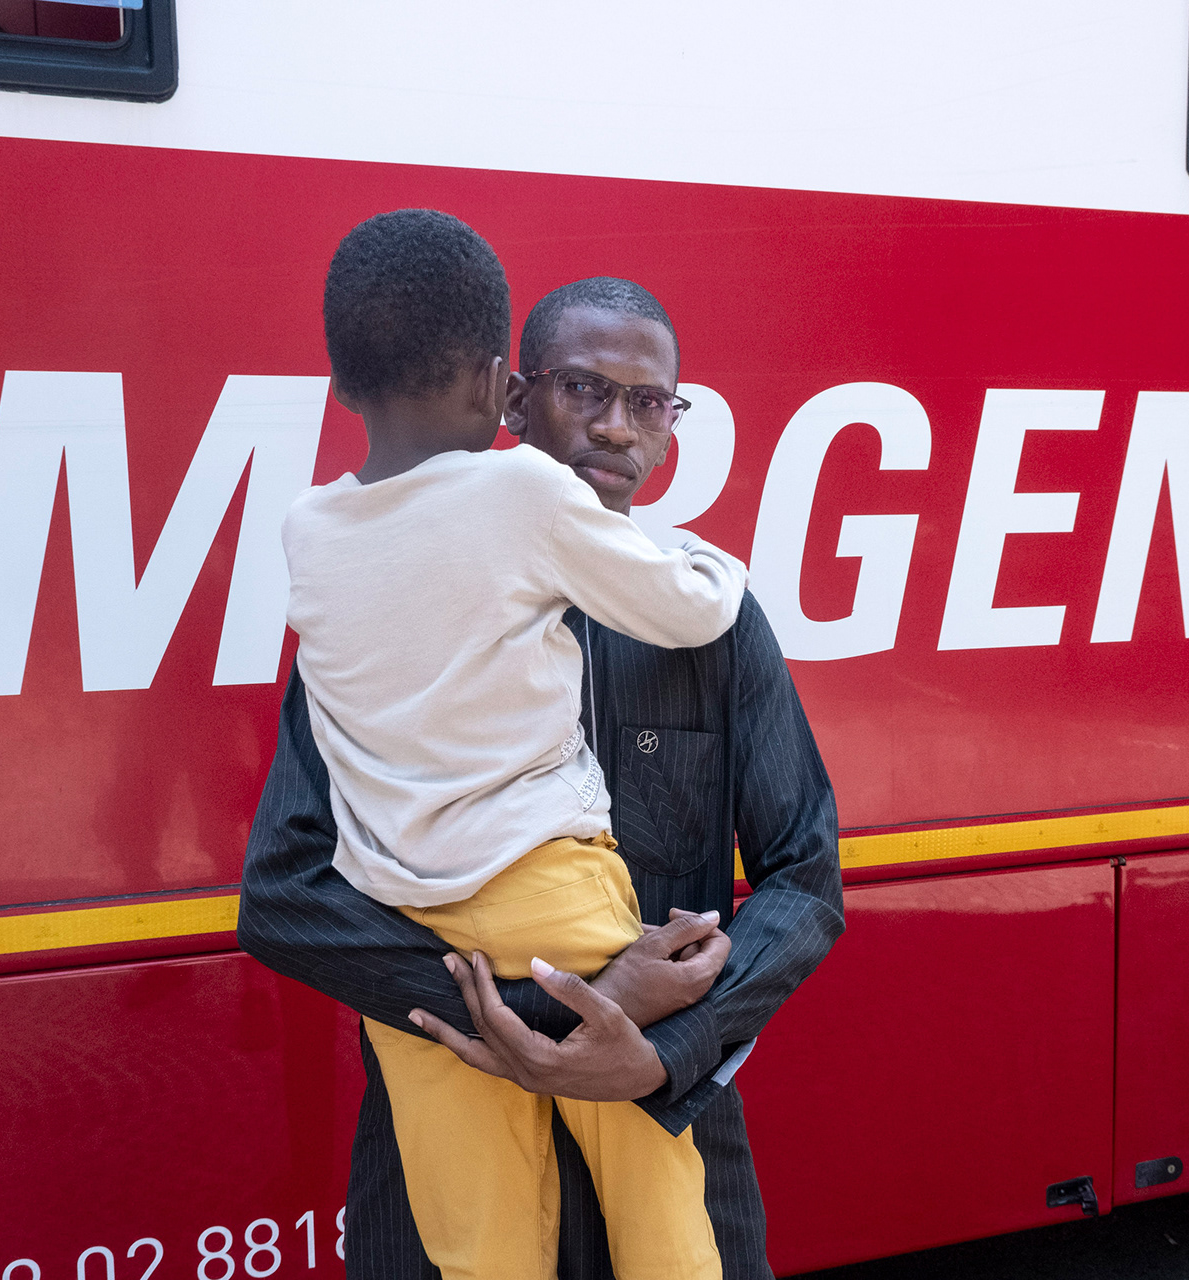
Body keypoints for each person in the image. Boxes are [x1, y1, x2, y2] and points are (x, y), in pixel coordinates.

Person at [238, 274, 845, 1280]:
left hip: (667, 1128)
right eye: (584, 389)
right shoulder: (388, 617)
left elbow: (805, 876)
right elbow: (284, 894)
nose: (618, 428)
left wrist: (661, 1048)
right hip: (436, 1170)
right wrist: (549, 1016)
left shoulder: (716, 619)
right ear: (514, 400)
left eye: (650, 403)